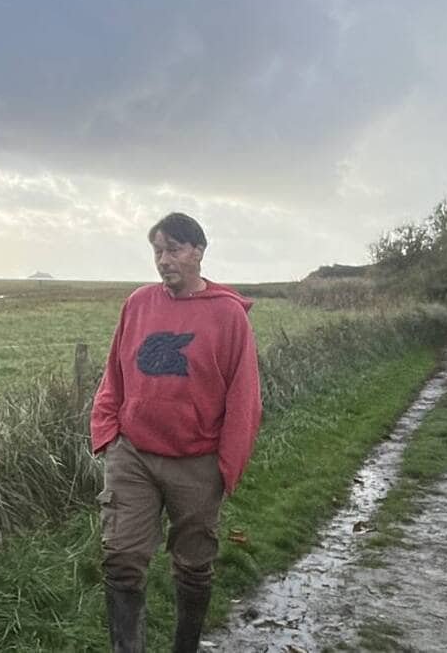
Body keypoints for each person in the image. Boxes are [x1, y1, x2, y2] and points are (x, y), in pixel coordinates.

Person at [90, 211, 263, 652]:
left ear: (198, 252)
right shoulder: (138, 303)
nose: (164, 260)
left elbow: (244, 400)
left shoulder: (227, 317)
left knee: (192, 565)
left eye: (173, 249)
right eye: (157, 251)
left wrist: (227, 468)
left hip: (196, 461)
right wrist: (108, 435)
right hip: (133, 455)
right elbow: (114, 375)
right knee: (122, 559)